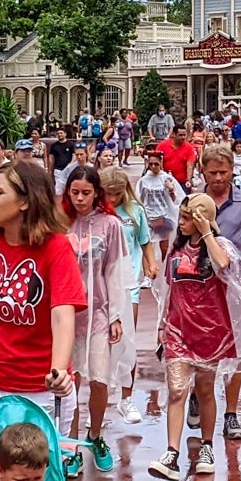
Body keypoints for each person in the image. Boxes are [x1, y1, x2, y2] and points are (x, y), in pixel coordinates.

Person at [146, 194, 241, 481]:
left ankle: (207, 446)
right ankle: (171, 453)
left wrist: (207, 233)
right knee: (177, 391)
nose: (181, 223)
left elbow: (224, 265)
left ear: (202, 220)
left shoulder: (219, 247)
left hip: (209, 331)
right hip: (179, 330)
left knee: (204, 390)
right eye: (182, 217)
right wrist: (162, 325)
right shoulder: (176, 251)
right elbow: (168, 290)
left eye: (188, 218)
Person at [0, 160, 83, 428]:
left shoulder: (56, 248)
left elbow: (62, 316)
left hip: (42, 389)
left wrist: (58, 371)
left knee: (39, 456)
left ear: (25, 201)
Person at [195, 144, 241, 442]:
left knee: (236, 352)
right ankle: (200, 395)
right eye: (212, 173)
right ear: (203, 172)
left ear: (232, 171)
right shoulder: (194, 201)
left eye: (223, 172)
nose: (218, 178)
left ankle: (231, 413)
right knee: (201, 350)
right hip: (200, 286)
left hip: (234, 285)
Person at [61, 167, 128, 473]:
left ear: (96, 193)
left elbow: (114, 271)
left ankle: (96, 434)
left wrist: (116, 315)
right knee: (69, 381)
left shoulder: (110, 225)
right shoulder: (59, 224)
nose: (80, 199)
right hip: (66, 315)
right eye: (75, 192)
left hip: (98, 312)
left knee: (99, 378)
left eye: (86, 193)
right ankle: (71, 445)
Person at [102, 168, 156, 425]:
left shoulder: (135, 211)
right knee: (100, 346)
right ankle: (101, 400)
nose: (113, 199)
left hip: (128, 284)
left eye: (117, 194)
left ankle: (126, 398)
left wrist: (150, 263)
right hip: (101, 287)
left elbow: (145, 242)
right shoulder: (97, 212)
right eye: (108, 194)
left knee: (127, 341)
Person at [136, 150, 186, 257]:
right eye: (151, 164)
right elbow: (138, 198)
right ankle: (149, 264)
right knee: (148, 243)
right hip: (149, 216)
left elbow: (177, 200)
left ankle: (163, 263)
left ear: (161, 163)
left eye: (156, 164)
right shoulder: (143, 181)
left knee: (164, 244)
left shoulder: (167, 178)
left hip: (164, 216)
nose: (153, 167)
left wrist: (171, 190)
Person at [154, 125, 198, 190]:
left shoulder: (189, 148)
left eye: (184, 135)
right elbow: (156, 160)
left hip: (182, 182)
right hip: (165, 180)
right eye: (180, 135)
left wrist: (188, 180)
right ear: (174, 134)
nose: (183, 137)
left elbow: (190, 166)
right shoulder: (162, 145)